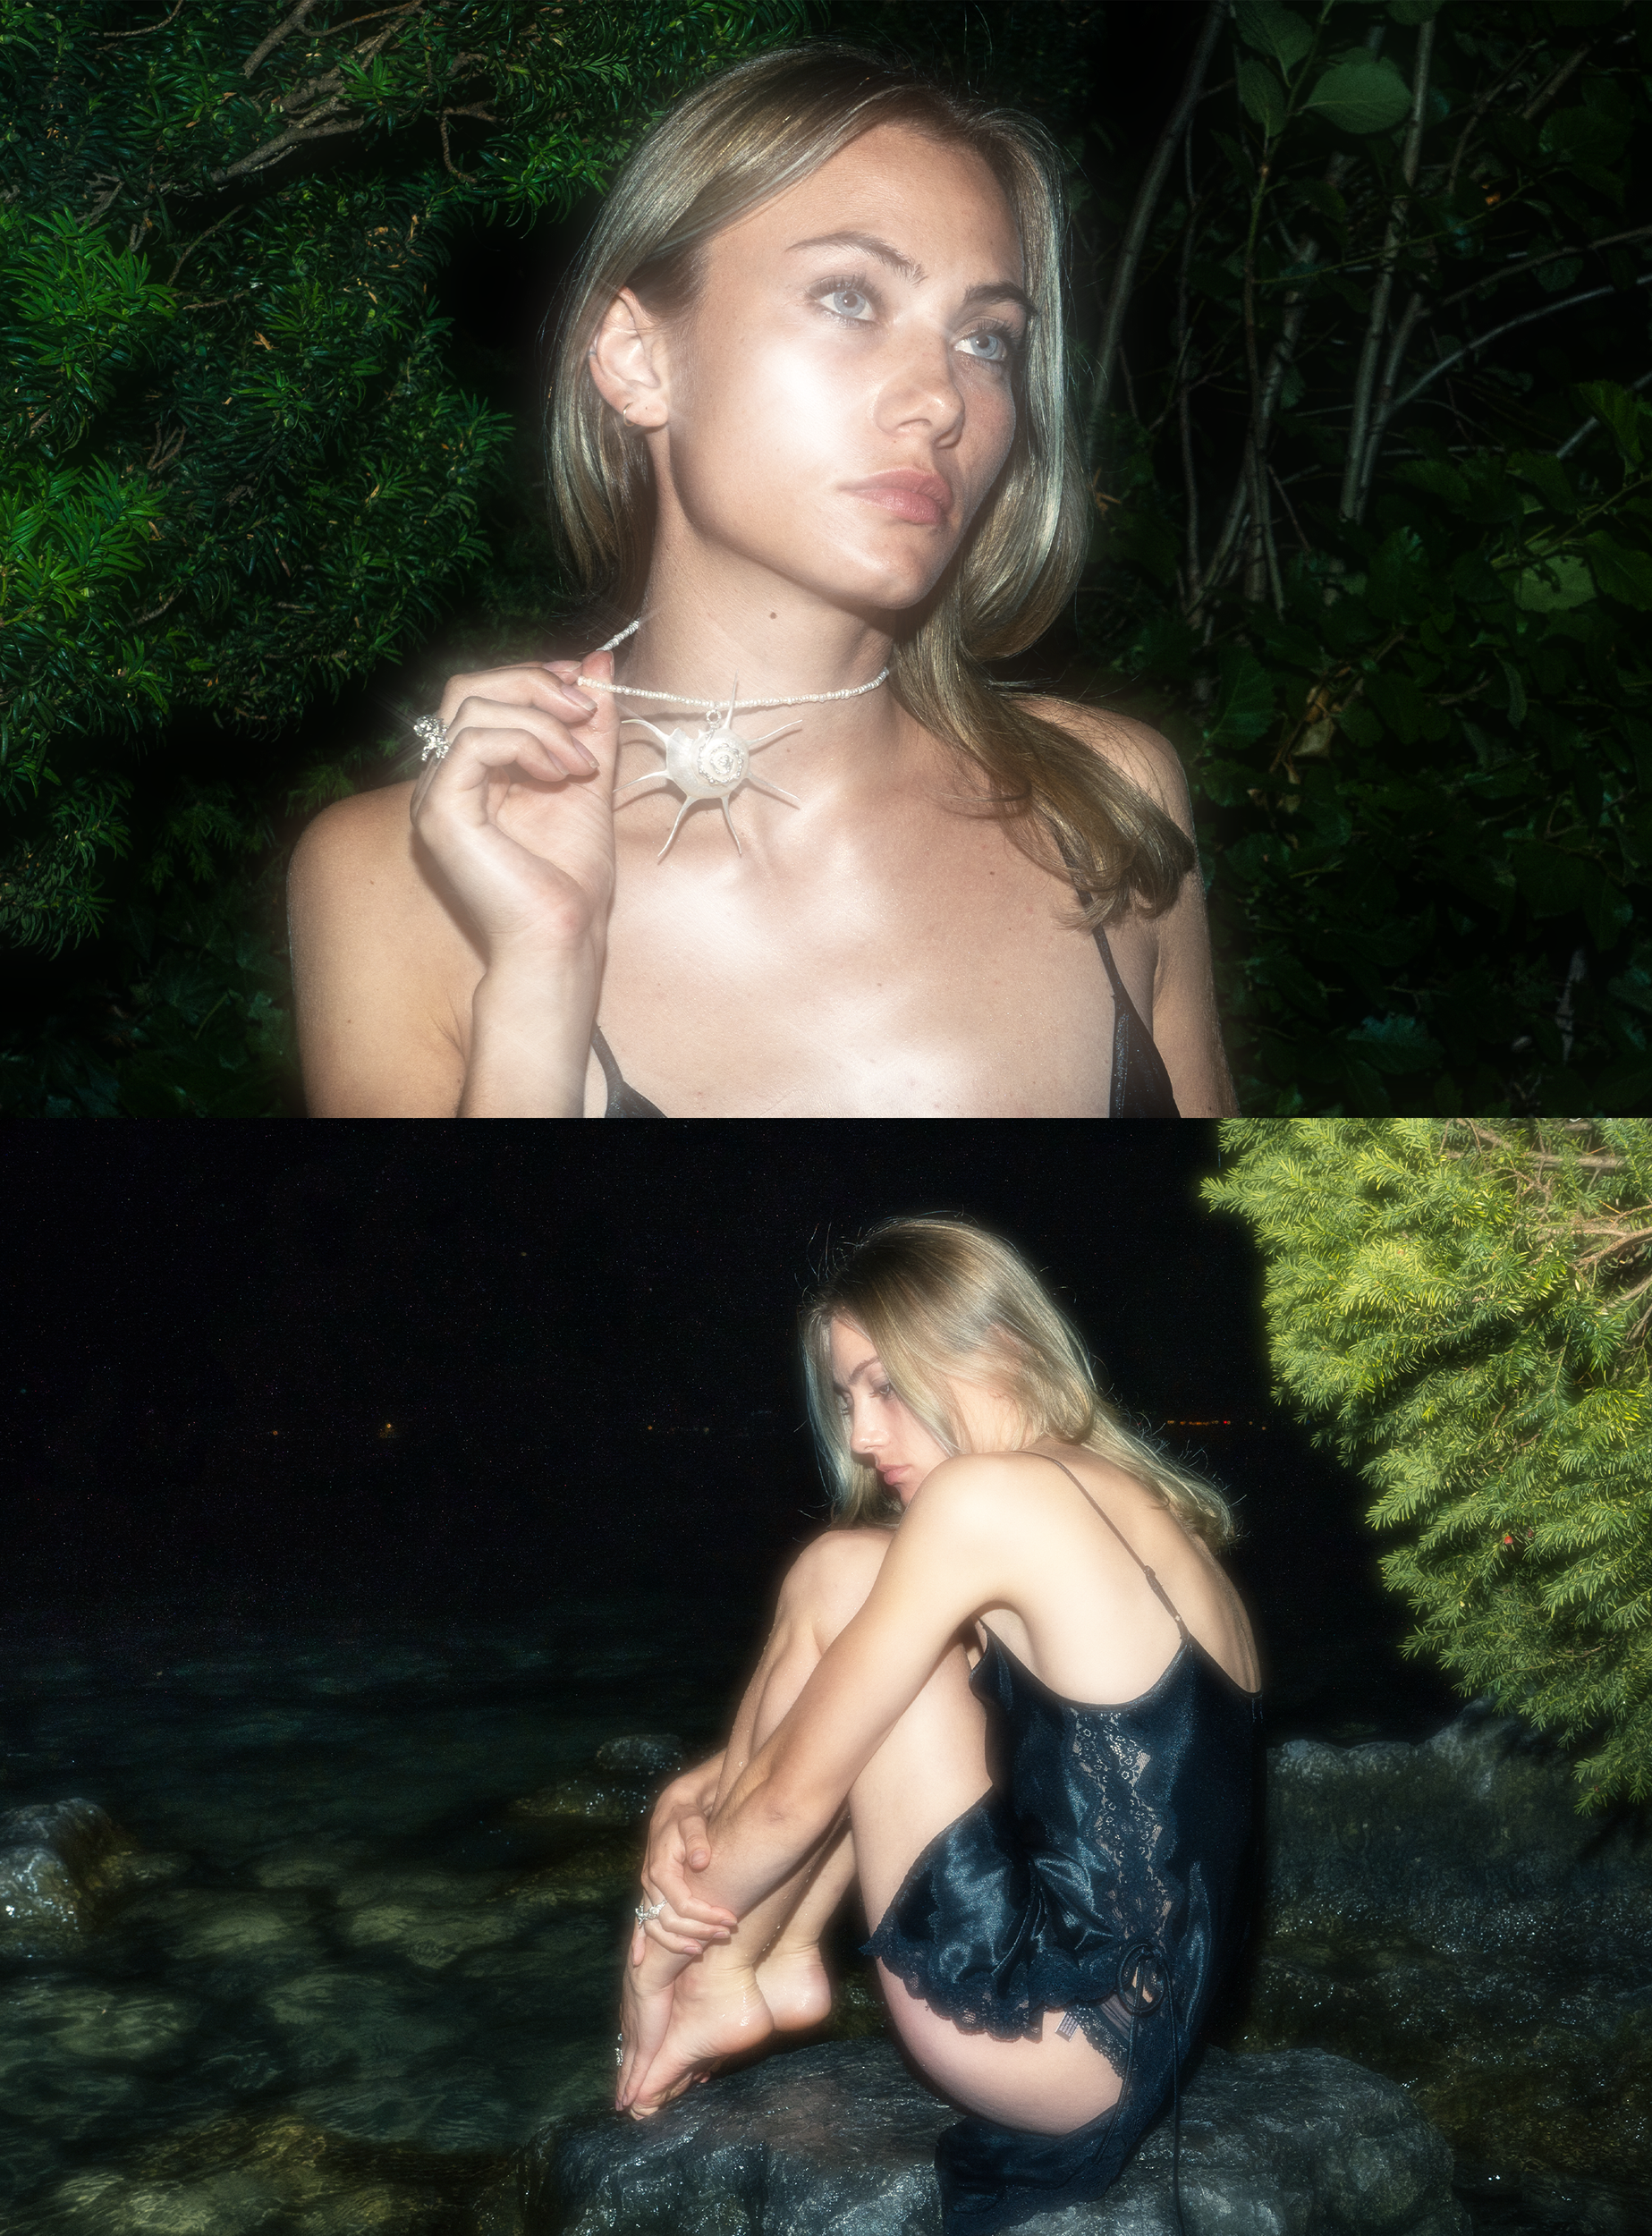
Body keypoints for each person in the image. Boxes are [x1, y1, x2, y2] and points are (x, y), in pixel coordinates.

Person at [286, 45, 1234, 1116]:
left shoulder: (1107, 801)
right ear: (638, 356)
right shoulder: (390, 880)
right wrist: (541, 979)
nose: (940, 400)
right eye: (847, 296)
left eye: (986, 339)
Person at [614, 1217, 1264, 2236]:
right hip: (1137, 2029)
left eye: (885, 1384)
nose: (864, 1436)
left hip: (1048, 2029)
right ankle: (765, 1959)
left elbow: (797, 1793)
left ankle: (727, 1971)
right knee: (851, 1577)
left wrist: (654, 1955)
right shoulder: (1123, 1507)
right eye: (845, 1398)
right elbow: (879, 1691)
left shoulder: (982, 1501)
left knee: (837, 1569)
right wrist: (695, 1786)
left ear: (997, 1345)